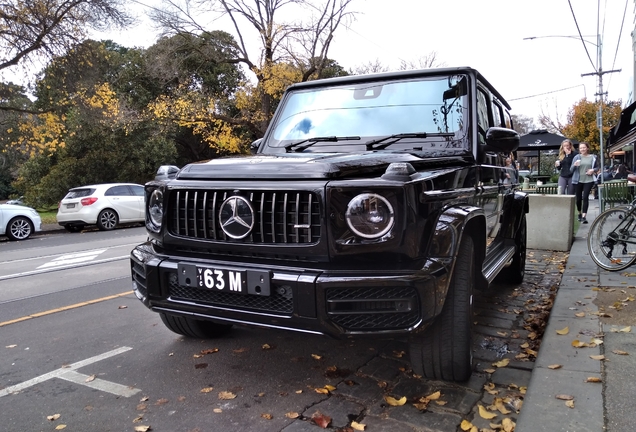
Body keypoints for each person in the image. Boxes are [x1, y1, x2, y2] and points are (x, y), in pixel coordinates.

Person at [570, 142, 599, 224]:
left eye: (584, 147)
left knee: (585, 197)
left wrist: (593, 170)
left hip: (589, 180)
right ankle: (579, 213)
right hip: (577, 180)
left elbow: (597, 167)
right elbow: (571, 170)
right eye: (581, 148)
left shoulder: (593, 157)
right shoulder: (577, 157)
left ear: (587, 148)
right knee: (578, 199)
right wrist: (574, 165)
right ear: (579, 149)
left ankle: (584, 216)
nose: (582, 149)